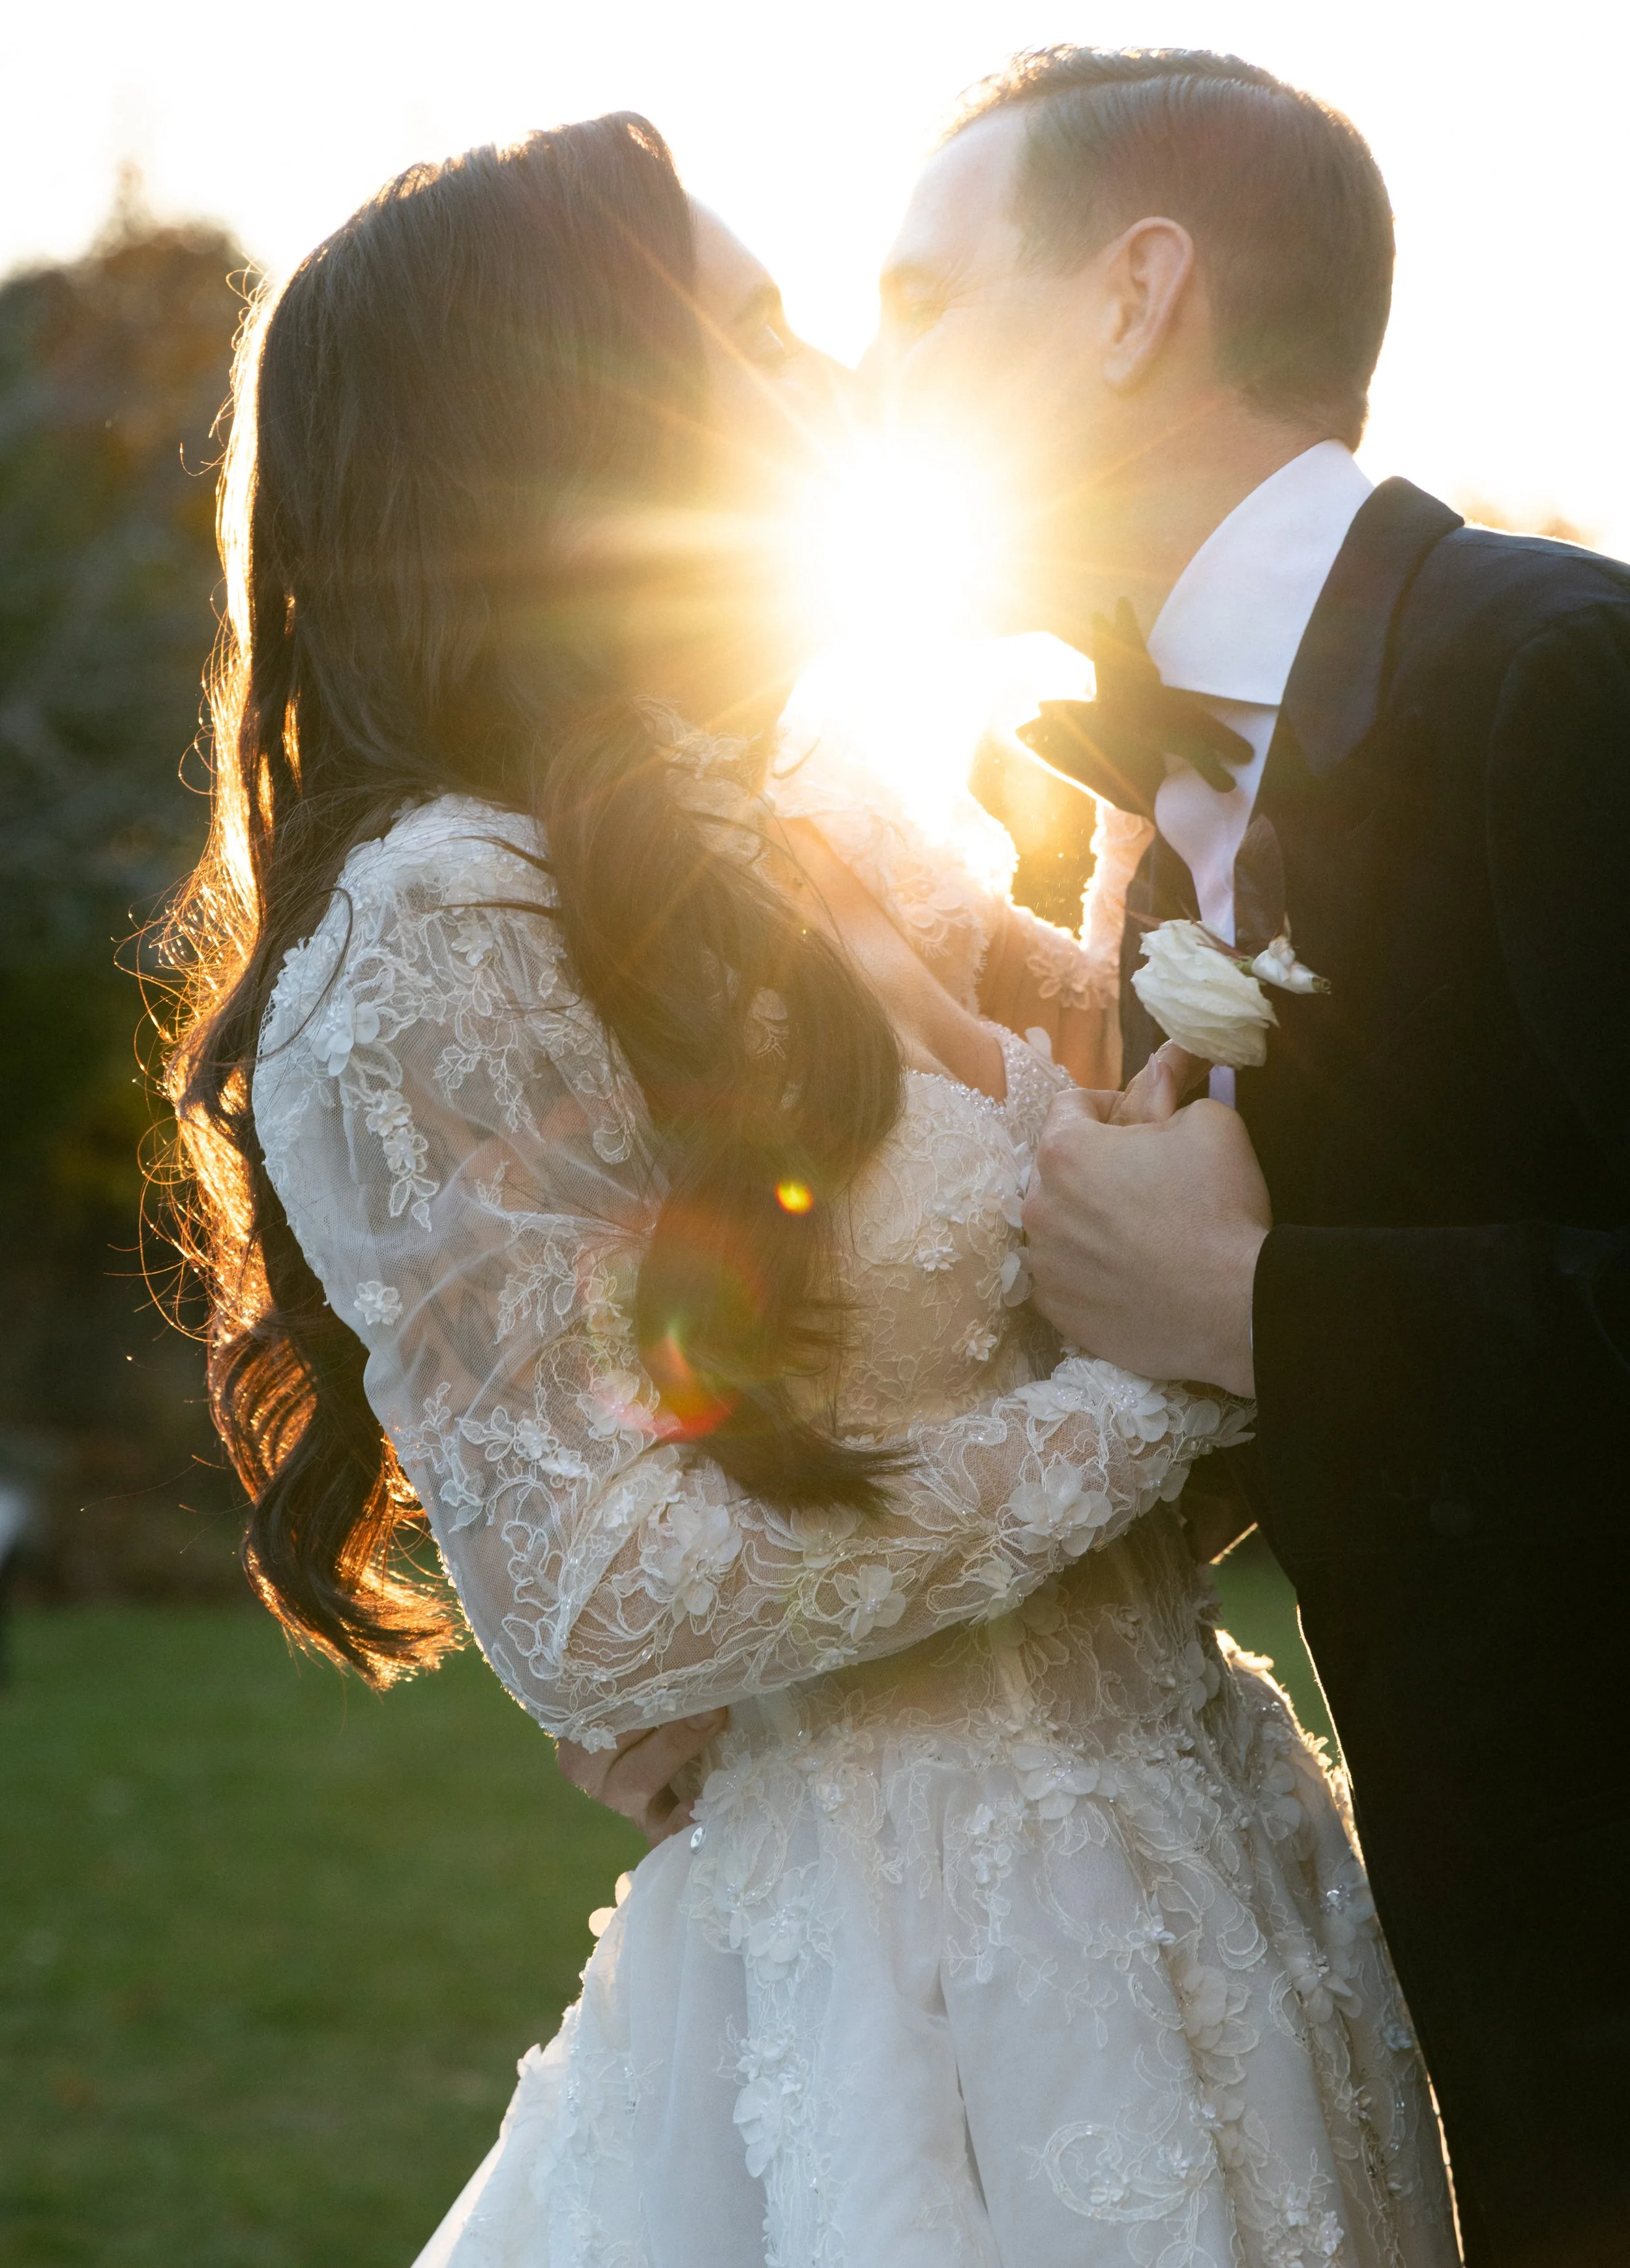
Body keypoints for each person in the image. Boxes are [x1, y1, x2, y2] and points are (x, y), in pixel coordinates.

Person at [162, 111, 1457, 2268]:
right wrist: (1187, 1375)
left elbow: (1134, 1119)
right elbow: (607, 1597)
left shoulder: (815, 800)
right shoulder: (440, 929)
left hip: (1206, 1842)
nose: (838, 388)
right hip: (909, 1944)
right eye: (759, 338)